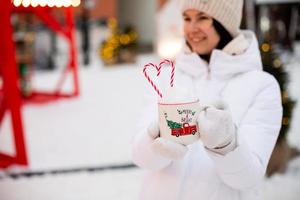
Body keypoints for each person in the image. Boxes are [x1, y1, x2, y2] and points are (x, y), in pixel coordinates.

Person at [132, 0, 283, 199]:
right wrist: (155, 143)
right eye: (187, 18)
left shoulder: (261, 86)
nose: (192, 28)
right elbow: (141, 158)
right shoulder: (165, 77)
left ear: (224, 22)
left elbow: (248, 178)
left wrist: (226, 145)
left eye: (202, 17)